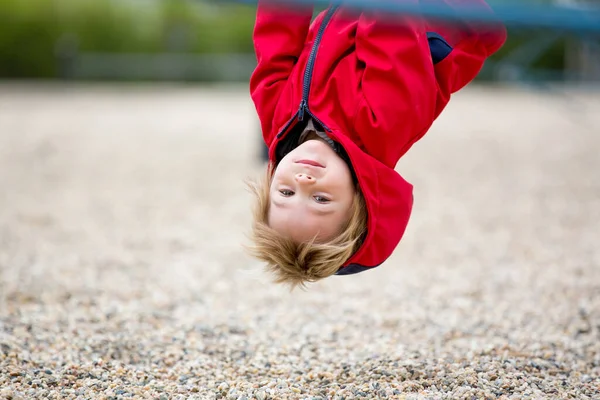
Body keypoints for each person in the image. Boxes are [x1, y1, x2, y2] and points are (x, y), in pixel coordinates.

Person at [247, 0, 507, 288]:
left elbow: (275, 44)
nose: (303, 180)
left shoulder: (278, 123)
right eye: (320, 199)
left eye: (286, 192)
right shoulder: (383, 125)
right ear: (360, 197)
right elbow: (390, 27)